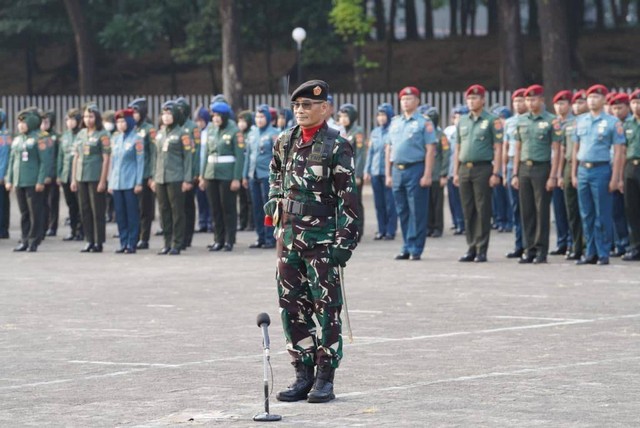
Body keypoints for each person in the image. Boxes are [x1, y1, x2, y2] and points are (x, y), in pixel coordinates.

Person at [268, 80, 359, 403]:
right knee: (292, 306)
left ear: (325, 109)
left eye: (308, 106)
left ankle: (325, 376)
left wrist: (344, 243)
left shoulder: (337, 145)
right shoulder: (285, 141)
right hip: (289, 238)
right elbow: (276, 176)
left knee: (326, 308)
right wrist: (275, 208)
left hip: (322, 240)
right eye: (297, 106)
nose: (301, 111)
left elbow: (348, 199)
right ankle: (302, 372)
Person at [571, 84, 625, 265]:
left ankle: (603, 252)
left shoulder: (612, 122)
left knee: (602, 213)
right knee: (586, 213)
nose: (592, 100)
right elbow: (575, 148)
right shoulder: (580, 121)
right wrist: (573, 173)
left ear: (603, 99)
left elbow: (618, 152)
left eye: (596, 97)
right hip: (583, 170)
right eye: (589, 97)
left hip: (601, 170)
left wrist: (615, 178)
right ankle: (590, 252)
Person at [512, 85, 562, 264]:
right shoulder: (521, 121)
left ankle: (541, 249)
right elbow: (518, 147)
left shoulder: (551, 121)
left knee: (541, 211)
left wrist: (553, 176)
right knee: (527, 210)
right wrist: (515, 173)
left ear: (541, 100)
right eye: (527, 99)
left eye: (533, 99)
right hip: (524, 168)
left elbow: (557, 150)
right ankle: (529, 248)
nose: (530, 102)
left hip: (542, 168)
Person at [385, 86, 436, 260]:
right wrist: (388, 174)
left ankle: (416, 248)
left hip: (416, 168)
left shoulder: (424, 122)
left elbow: (430, 149)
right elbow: (388, 149)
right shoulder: (395, 122)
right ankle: (406, 245)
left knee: (417, 210)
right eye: (403, 99)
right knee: (402, 210)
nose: (406, 102)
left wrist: (427, 174)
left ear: (417, 101)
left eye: (409, 99)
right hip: (397, 170)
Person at [453, 84, 503, 262]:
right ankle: (471, 247)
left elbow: (498, 148)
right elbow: (457, 147)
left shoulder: (491, 120)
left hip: (483, 169)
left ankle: (482, 248)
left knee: (482, 209)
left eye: (475, 98)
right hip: (465, 168)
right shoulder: (463, 121)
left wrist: (496, 172)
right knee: (468, 209)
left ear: (483, 100)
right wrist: (456, 171)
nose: (471, 101)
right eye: (469, 98)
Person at [150, 100, 193, 255]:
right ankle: (167, 242)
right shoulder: (160, 134)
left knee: (177, 211)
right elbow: (155, 157)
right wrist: (153, 177)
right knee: (163, 211)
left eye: (169, 113)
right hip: (161, 177)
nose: (166, 117)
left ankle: (177, 242)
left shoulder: (182, 134)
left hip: (176, 177)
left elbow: (187, 158)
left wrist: (187, 179)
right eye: (164, 114)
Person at [5, 108, 51, 251]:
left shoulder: (40, 138)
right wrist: (9, 179)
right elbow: (12, 161)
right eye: (19, 123)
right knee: (24, 212)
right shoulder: (17, 139)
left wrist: (40, 180)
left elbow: (44, 161)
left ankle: (34, 240)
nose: (20, 126)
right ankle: (24, 239)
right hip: (20, 181)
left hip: (33, 181)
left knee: (35, 212)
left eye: (23, 122)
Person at [201, 101, 244, 252]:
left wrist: (236, 178)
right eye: (214, 115)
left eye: (219, 115)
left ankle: (229, 240)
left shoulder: (234, 130)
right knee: (215, 208)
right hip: (211, 174)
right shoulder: (211, 129)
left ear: (225, 116)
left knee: (228, 208)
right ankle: (217, 239)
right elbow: (206, 153)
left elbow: (240, 157)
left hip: (227, 175)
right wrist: (202, 175)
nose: (216, 118)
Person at [71, 103, 111, 253]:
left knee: (97, 210)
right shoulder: (81, 134)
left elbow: (106, 158)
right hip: (82, 175)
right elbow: (76, 156)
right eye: (86, 116)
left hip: (95, 176)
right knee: (85, 209)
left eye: (91, 116)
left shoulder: (103, 134)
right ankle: (89, 240)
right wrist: (74, 178)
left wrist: (103, 180)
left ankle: (98, 241)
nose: (88, 119)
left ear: (97, 118)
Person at [108, 109, 144, 254]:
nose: (120, 124)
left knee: (132, 213)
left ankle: (132, 242)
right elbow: (113, 161)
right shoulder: (115, 139)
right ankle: (123, 242)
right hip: (117, 182)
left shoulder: (137, 139)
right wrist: (110, 181)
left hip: (130, 182)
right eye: (118, 122)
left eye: (123, 121)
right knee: (120, 214)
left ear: (129, 122)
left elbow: (140, 162)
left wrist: (139, 182)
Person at [243, 104, 279, 249]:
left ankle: (270, 237)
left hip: (267, 175)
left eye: (262, 117)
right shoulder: (252, 134)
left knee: (268, 207)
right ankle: (260, 237)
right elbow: (248, 156)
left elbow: (278, 156)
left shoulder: (274, 133)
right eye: (257, 117)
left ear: (268, 118)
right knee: (256, 207)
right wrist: (244, 175)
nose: (259, 120)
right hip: (253, 174)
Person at [558, 90, 587, 260]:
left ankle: (588, 245)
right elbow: (562, 151)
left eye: (581, 103)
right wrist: (561, 175)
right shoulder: (568, 125)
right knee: (572, 210)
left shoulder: (592, 123)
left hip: (585, 166)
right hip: (569, 166)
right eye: (575, 103)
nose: (577, 106)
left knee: (587, 209)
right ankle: (576, 245)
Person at [364, 103, 397, 240]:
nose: (381, 118)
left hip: (388, 172)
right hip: (376, 171)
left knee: (390, 203)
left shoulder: (393, 130)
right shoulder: (375, 132)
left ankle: (390, 230)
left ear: (389, 116)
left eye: (384, 115)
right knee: (379, 203)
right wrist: (367, 170)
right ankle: (381, 229)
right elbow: (371, 152)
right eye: (379, 115)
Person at [127, 98, 156, 250]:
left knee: (145, 208)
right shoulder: (130, 129)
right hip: (132, 174)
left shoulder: (149, 129)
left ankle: (144, 238)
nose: (133, 115)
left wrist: (151, 175)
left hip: (145, 173)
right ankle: (134, 235)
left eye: (136, 112)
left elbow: (153, 153)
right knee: (133, 208)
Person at [550, 90, 574, 256]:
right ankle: (562, 241)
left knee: (570, 209)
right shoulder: (551, 124)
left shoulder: (574, 124)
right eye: (557, 104)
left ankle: (572, 242)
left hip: (565, 168)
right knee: (558, 209)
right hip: (551, 168)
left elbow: (565, 152)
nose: (560, 107)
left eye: (563, 103)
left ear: (569, 105)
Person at [503, 89, 527, 258]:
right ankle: (519, 244)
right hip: (512, 163)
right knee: (516, 208)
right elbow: (505, 146)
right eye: (516, 101)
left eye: (522, 101)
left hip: (527, 164)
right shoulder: (509, 122)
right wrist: (504, 171)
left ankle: (530, 243)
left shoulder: (532, 121)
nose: (519, 104)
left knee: (528, 208)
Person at [175, 97, 201, 249]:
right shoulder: (174, 126)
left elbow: (196, 151)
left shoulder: (192, 128)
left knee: (188, 206)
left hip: (189, 171)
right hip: (177, 172)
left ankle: (187, 237)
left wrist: (195, 172)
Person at [338, 103, 366, 240]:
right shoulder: (343, 131)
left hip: (354, 173)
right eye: (341, 116)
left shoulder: (357, 132)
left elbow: (360, 154)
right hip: (345, 172)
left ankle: (359, 230)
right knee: (346, 202)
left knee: (357, 201)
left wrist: (358, 173)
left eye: (345, 116)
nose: (343, 119)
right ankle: (349, 228)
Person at [421, 105, 449, 238]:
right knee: (427, 203)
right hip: (426, 174)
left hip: (437, 174)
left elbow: (446, 155)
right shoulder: (424, 134)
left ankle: (438, 227)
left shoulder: (441, 135)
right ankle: (428, 226)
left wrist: (444, 173)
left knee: (437, 203)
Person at [609, 93, 631, 257]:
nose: (616, 111)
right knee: (616, 210)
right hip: (612, 169)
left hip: (630, 170)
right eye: (614, 108)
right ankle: (621, 243)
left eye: (620, 107)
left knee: (630, 209)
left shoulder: (630, 124)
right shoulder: (611, 124)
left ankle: (631, 243)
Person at [57, 108, 83, 241]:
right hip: (66, 174)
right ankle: (73, 230)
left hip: (79, 175)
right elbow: (61, 156)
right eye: (68, 120)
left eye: (73, 120)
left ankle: (82, 230)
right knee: (71, 204)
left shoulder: (82, 135)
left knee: (81, 204)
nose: (70, 123)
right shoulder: (65, 136)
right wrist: (59, 174)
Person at [621, 89, 640, 261]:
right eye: (634, 103)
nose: (637, 106)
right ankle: (635, 246)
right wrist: (620, 176)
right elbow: (622, 151)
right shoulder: (627, 125)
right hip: (630, 167)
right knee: (632, 209)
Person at [444, 105, 466, 235]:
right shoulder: (448, 131)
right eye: (455, 116)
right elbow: (446, 152)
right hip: (450, 169)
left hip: (462, 170)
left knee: (463, 199)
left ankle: (463, 224)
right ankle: (456, 221)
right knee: (453, 199)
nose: (457, 119)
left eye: (460, 116)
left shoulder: (466, 130)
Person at [490, 105, 513, 234]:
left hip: (508, 167)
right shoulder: (493, 132)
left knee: (508, 197)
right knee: (497, 197)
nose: (500, 121)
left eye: (503, 118)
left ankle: (509, 221)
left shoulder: (510, 131)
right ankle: (499, 220)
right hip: (496, 167)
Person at [40, 111, 60, 238]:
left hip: (52, 174)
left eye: (47, 122)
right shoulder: (38, 136)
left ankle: (53, 226)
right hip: (41, 175)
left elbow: (58, 157)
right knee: (42, 203)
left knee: (53, 201)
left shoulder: (56, 137)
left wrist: (57, 174)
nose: (44, 124)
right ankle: (44, 225)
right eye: (42, 122)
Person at [194, 106, 213, 233]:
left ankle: (210, 222)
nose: (199, 123)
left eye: (201, 120)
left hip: (208, 169)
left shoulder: (210, 131)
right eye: (197, 120)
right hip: (198, 169)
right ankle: (202, 222)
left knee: (210, 198)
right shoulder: (197, 132)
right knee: (200, 198)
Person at [236, 110, 254, 232]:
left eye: (244, 121)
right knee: (241, 199)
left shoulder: (251, 134)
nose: (241, 124)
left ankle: (251, 222)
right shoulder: (238, 135)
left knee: (250, 200)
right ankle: (242, 222)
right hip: (240, 169)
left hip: (249, 171)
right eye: (240, 121)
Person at [102, 110, 116, 223]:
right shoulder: (103, 134)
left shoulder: (117, 134)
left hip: (114, 165)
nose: (108, 123)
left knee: (114, 193)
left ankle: (114, 213)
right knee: (106, 193)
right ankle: (108, 212)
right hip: (106, 165)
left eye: (110, 121)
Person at [0, 109, 12, 239]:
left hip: (1, 176)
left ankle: (3, 229)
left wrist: (2, 175)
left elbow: (4, 158)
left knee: (2, 204)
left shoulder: (4, 137)